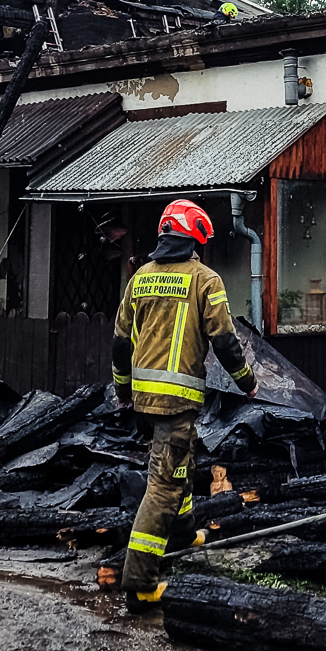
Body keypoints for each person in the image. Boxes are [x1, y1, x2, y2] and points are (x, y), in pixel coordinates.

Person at [112, 199, 255, 609]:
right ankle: (140, 583)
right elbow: (224, 339)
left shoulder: (140, 278)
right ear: (194, 240)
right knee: (163, 486)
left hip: (144, 400)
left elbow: (121, 341)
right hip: (176, 402)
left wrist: (123, 392)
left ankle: (183, 533)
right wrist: (247, 382)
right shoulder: (205, 280)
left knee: (182, 463)